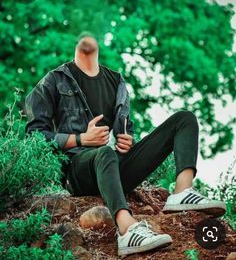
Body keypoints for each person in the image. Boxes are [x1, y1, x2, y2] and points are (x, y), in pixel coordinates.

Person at [25, 32, 226, 257]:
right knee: (104, 154)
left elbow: (125, 128)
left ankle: (182, 191)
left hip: (114, 169)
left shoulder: (116, 80)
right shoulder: (54, 80)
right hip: (78, 172)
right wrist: (81, 139)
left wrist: (126, 141)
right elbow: (35, 136)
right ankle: (127, 230)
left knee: (184, 119)